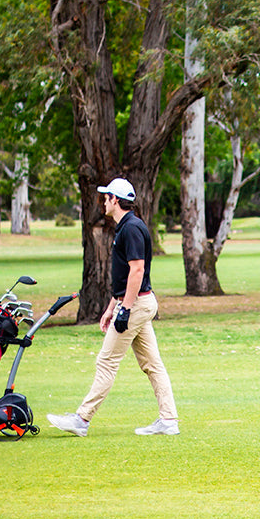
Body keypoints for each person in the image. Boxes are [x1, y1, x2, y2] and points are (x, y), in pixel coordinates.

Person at [48, 176, 180, 437]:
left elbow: (137, 270)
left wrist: (125, 309)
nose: (103, 202)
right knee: (152, 364)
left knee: (107, 361)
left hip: (137, 305)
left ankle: (81, 419)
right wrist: (112, 307)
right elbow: (123, 277)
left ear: (115, 200)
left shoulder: (131, 229)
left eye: (106, 197)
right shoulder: (126, 227)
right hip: (137, 303)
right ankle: (168, 420)